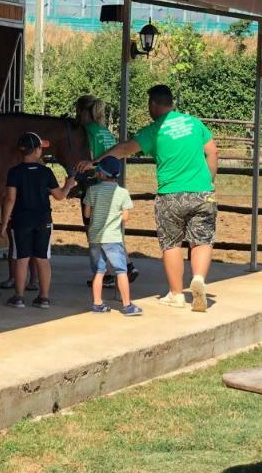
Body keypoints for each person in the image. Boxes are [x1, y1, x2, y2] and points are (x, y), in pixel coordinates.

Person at [84, 84, 218, 312]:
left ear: (154, 104)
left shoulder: (155, 130)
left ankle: (176, 294)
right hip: (202, 192)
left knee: (171, 244)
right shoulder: (194, 123)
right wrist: (209, 183)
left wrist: (97, 161)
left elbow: (125, 149)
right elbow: (212, 151)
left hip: (170, 195)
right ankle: (198, 279)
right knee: (202, 241)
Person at [0, 132, 76, 309]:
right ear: (36, 150)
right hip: (43, 220)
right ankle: (44, 298)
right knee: (42, 258)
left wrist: (3, 224)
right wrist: (69, 185)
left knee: (21, 258)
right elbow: (59, 196)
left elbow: (10, 199)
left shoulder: (14, 172)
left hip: (21, 220)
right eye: (41, 148)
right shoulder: (46, 172)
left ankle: (18, 297)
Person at [75, 94, 138, 286]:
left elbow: (90, 159)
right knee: (112, 228)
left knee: (94, 230)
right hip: (112, 185)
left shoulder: (87, 131)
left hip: (95, 184)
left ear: (84, 112)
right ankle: (125, 266)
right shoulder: (106, 132)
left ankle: (109, 271)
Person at [82, 156, 141, 317]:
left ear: (101, 174)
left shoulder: (92, 190)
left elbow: (87, 214)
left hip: (95, 237)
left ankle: (97, 303)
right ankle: (127, 305)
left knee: (99, 271)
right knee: (121, 270)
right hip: (113, 237)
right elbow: (126, 217)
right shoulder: (122, 193)